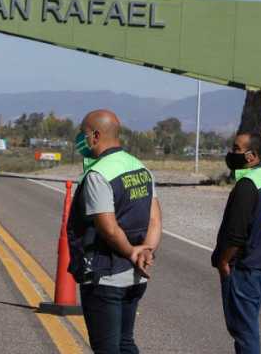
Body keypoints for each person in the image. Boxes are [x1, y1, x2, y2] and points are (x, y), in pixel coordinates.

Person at [67, 109, 162, 354]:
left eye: (82, 134)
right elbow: (155, 220)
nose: (80, 139)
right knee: (125, 343)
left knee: (107, 348)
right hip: (136, 276)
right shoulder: (140, 168)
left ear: (95, 136)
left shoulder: (99, 174)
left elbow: (108, 228)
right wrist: (146, 253)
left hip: (105, 275)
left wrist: (131, 252)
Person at [212, 131, 261, 354]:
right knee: (247, 326)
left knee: (244, 331)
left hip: (243, 268)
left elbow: (236, 234)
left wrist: (224, 261)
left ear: (251, 156)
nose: (231, 153)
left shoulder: (247, 185)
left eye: (236, 149)